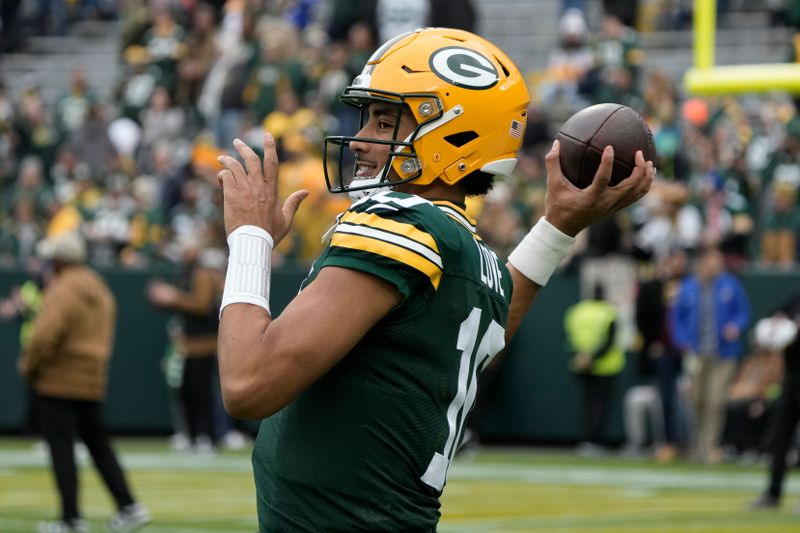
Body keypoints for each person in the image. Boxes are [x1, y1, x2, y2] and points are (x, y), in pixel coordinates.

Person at [216, 27, 653, 531]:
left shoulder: (401, 223)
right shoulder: (467, 251)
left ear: (454, 134)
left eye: (385, 121)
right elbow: (488, 326)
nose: (361, 140)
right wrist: (558, 227)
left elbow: (247, 385)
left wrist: (249, 237)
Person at [17, 231, 150, 533]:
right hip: (92, 377)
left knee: (61, 449)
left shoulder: (62, 289)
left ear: (59, 260)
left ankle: (71, 517)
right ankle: (128, 505)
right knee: (99, 445)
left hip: (58, 378)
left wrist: (28, 366)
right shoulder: (98, 286)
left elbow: (43, 336)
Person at [670, 246, 751, 464]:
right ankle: (698, 445)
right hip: (696, 354)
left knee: (715, 401)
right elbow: (676, 320)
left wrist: (735, 326)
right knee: (696, 400)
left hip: (723, 354)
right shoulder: (687, 288)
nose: (717, 264)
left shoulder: (730, 284)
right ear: (702, 262)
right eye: (713, 260)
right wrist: (682, 342)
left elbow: (742, 311)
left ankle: (711, 447)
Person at [148, 231, 226, 454]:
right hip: (187, 343)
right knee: (186, 392)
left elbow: (201, 305)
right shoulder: (187, 272)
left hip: (203, 343)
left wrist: (173, 297)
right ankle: (191, 435)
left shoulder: (201, 273)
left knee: (201, 392)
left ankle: (207, 437)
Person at [564, 285, 626, 456]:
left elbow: (569, 337)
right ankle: (594, 440)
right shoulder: (609, 312)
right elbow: (610, 341)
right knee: (599, 405)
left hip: (583, 366)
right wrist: (594, 357)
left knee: (588, 403)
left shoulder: (577, 312)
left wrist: (582, 357)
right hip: (606, 367)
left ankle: (588, 438)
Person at [751, 298, 800, 509]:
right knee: (780, 437)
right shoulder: (797, 297)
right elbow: (771, 317)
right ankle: (772, 493)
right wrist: (779, 323)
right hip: (792, 379)